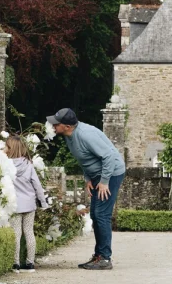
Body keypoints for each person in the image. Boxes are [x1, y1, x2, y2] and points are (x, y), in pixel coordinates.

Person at [47, 108, 125, 271]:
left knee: (102, 215)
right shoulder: (69, 136)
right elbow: (85, 158)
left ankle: (105, 258)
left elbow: (109, 156)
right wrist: (88, 178)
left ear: (67, 126)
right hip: (97, 175)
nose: (53, 126)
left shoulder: (85, 135)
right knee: (96, 214)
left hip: (111, 173)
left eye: (56, 123)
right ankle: (99, 255)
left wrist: (104, 181)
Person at [5, 135, 48, 273]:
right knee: (29, 232)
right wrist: (43, 202)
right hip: (29, 204)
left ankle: (15, 263)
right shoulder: (29, 164)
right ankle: (30, 263)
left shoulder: (5, 165)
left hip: (14, 204)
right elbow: (37, 184)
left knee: (16, 234)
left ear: (10, 148)